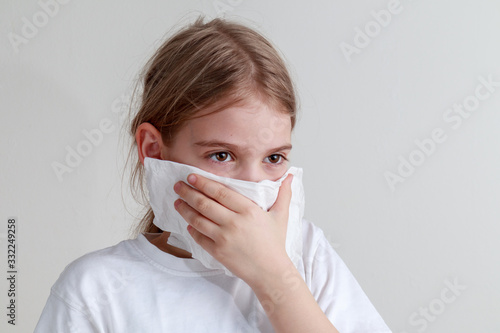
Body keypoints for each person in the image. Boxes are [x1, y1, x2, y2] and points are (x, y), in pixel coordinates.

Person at [34, 17, 391, 332]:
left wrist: (272, 276)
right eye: (221, 155)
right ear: (153, 150)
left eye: (274, 158)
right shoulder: (94, 291)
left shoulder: (308, 257)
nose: (253, 187)